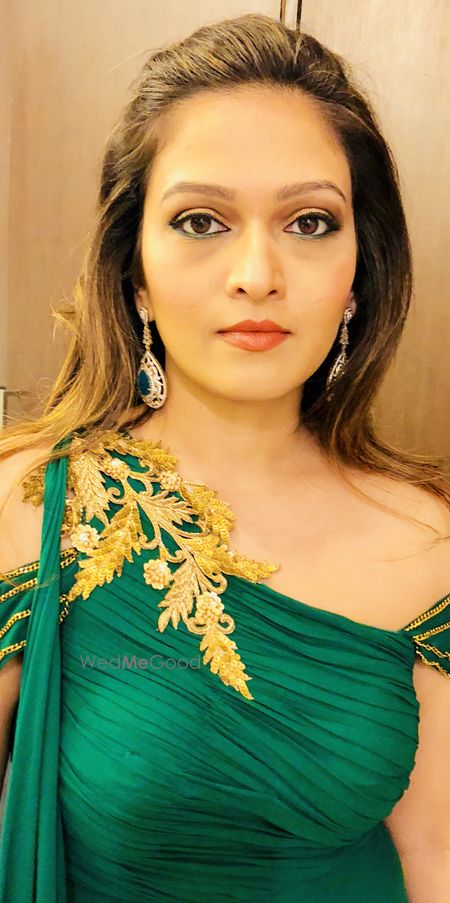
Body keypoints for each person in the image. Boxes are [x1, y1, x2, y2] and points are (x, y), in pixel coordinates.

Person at [0, 12, 449, 902]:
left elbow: (434, 853)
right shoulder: (31, 506)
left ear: (358, 273)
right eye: (201, 220)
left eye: (310, 222)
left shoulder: (426, 541)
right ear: (135, 270)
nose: (257, 274)